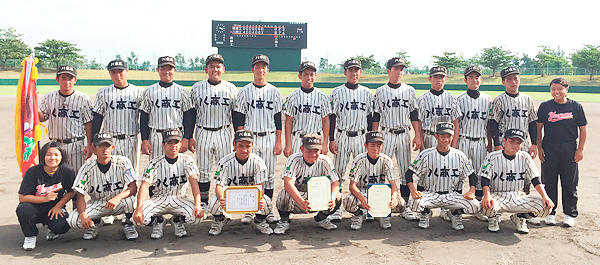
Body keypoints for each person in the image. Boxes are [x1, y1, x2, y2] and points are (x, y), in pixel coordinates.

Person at [92, 59, 143, 225]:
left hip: (130, 139)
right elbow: (97, 117)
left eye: (121, 71)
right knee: (109, 175)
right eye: (114, 72)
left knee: (130, 176)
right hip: (109, 140)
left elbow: (145, 117)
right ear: (110, 74)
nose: (117, 74)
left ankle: (129, 212)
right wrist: (94, 141)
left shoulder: (138, 92)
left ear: (127, 72)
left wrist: (146, 139)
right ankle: (110, 210)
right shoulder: (103, 93)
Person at [233, 54, 282, 223]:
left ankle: (267, 210)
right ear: (252, 69)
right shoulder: (244, 91)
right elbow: (239, 118)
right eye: (257, 66)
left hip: (269, 137)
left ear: (267, 70)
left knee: (268, 176)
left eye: (263, 67)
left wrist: (278, 141)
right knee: (249, 174)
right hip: (249, 139)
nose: (260, 69)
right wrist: (240, 142)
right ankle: (248, 210)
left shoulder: (274, 92)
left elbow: (277, 119)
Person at [373, 57, 423, 221]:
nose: (399, 72)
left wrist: (417, 134)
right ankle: (380, 206)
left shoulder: (410, 90)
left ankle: (406, 206)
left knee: (404, 170)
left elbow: (413, 114)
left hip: (403, 134)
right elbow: (376, 115)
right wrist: (374, 137)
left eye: (401, 69)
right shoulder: (380, 91)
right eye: (396, 68)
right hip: (386, 134)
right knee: (382, 170)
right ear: (388, 71)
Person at [489, 66, 540, 225]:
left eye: (515, 78)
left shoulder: (527, 99)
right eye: (509, 79)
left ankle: (521, 213)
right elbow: (493, 123)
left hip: (523, 145)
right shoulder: (498, 100)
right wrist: (497, 143)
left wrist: (534, 144)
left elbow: (532, 122)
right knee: (499, 175)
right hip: (505, 144)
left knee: (524, 177)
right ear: (503, 81)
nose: (513, 81)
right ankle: (496, 210)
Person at [406, 122, 480, 230]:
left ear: (453, 136)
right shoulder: (426, 154)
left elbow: (472, 176)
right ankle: (425, 213)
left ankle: (455, 213)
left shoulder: (460, 155)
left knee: (476, 206)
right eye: (442, 136)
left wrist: (472, 191)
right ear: (436, 136)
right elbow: (409, 173)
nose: (446, 139)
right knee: (413, 203)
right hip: (431, 195)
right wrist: (413, 191)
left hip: (452, 195)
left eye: (448, 136)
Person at [133, 129, 205, 239]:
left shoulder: (187, 160)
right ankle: (158, 220)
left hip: (180, 198)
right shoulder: (154, 163)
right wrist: (138, 208)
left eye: (176, 142)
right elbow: (144, 185)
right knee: (138, 219)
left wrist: (198, 205)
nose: (173, 145)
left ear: (180, 144)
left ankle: (177, 220)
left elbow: (194, 182)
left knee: (198, 217)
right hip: (159, 199)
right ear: (163, 145)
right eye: (169, 143)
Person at [189, 54, 238, 212]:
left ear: (223, 69)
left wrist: (237, 137)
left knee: (225, 169)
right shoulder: (197, 88)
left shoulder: (231, 88)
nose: (215, 69)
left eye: (218, 66)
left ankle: (224, 203)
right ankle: (203, 202)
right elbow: (191, 114)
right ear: (206, 69)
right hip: (203, 131)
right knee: (203, 170)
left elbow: (236, 114)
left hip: (224, 131)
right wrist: (189, 136)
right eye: (212, 66)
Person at [481, 129, 554, 234]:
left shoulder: (525, 157)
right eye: (511, 142)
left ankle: (519, 217)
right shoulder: (492, 157)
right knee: (485, 205)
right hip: (497, 195)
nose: (515, 145)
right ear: (504, 141)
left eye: (518, 143)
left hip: (517, 196)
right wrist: (487, 195)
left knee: (546, 208)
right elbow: (485, 179)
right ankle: (492, 218)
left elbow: (535, 179)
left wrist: (545, 196)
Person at [536, 77, 587, 227]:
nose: (556, 92)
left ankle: (569, 214)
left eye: (559, 89)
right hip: (550, 147)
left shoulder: (575, 106)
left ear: (566, 89)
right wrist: (539, 147)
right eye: (553, 89)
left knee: (570, 183)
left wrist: (580, 149)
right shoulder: (545, 106)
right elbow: (538, 128)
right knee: (549, 181)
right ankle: (550, 212)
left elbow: (583, 129)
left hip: (569, 148)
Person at [68, 133, 138, 240]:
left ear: (112, 148)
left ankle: (129, 224)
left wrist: (117, 198)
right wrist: (83, 215)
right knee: (73, 220)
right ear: (94, 149)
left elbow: (133, 188)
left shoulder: (123, 162)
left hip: (118, 202)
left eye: (107, 145)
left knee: (131, 201)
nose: (104, 148)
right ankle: (95, 222)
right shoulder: (87, 168)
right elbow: (80, 195)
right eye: (101, 146)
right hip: (97, 203)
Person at [328, 59, 374, 222]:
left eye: (357, 70)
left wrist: (371, 139)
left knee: (363, 174)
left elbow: (370, 117)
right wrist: (331, 139)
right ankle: (336, 208)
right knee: (338, 174)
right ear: (345, 72)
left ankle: (364, 207)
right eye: (350, 70)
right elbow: (332, 117)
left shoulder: (367, 93)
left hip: (361, 136)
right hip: (342, 135)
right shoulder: (336, 92)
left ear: (360, 73)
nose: (354, 73)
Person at [207, 130, 274, 236]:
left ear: (252, 145)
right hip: (231, 198)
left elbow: (260, 187)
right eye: (240, 146)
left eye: (248, 146)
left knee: (267, 203)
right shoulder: (225, 162)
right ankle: (220, 220)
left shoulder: (258, 162)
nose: (244, 149)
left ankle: (259, 221)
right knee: (213, 204)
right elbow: (219, 186)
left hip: (250, 198)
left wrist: (259, 198)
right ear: (234, 144)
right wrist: (221, 199)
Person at [416, 66, 461, 222]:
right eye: (435, 77)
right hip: (428, 137)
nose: (439, 80)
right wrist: (420, 141)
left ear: (446, 79)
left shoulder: (452, 99)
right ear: (430, 79)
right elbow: (419, 122)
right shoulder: (422, 99)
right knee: (425, 173)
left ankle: (445, 208)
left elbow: (456, 123)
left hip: (446, 141)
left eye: (441, 77)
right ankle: (423, 208)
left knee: (446, 172)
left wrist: (454, 144)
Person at [274, 134, 341, 234]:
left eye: (316, 151)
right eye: (309, 150)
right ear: (302, 149)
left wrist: (332, 198)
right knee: (283, 195)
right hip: (298, 197)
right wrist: (301, 202)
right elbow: (288, 183)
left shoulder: (325, 161)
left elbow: (335, 183)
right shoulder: (294, 159)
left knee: (338, 196)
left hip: (317, 197)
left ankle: (320, 219)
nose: (313, 154)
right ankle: (284, 220)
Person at [16, 142, 75, 250]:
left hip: (54, 207)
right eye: (48, 154)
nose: (52, 158)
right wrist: (43, 199)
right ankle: (30, 235)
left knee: (63, 225)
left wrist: (58, 206)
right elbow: (22, 197)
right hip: (34, 206)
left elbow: (71, 191)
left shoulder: (67, 171)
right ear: (43, 156)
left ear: (62, 156)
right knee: (23, 209)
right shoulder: (33, 172)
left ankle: (50, 228)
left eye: (56, 155)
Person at [344, 131, 405, 230]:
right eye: (372, 145)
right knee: (348, 201)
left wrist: (393, 197)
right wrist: (362, 199)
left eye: (379, 145)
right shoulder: (358, 160)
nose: (375, 148)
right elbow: (352, 186)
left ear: (382, 146)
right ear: (366, 146)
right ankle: (359, 214)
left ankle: (382, 215)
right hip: (362, 192)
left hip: (380, 193)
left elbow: (393, 184)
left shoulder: (387, 160)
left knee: (400, 203)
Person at [38, 65, 93, 173]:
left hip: (76, 145)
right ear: (57, 79)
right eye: (63, 78)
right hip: (55, 145)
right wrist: (33, 104)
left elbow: (89, 122)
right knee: (55, 178)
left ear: (75, 80)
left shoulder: (83, 99)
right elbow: (42, 117)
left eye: (70, 78)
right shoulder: (49, 97)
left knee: (76, 176)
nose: (67, 81)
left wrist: (89, 144)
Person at [139, 56, 194, 160]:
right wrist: (144, 139)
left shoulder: (182, 91)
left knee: (176, 169)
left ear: (174, 70)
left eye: (169, 68)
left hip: (176, 136)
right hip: (156, 136)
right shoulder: (149, 91)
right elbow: (144, 116)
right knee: (155, 168)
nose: (166, 72)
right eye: (163, 68)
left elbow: (188, 117)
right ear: (157, 70)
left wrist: (187, 137)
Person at [456, 66, 493, 222]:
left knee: (479, 175)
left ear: (481, 80)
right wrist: (454, 144)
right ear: (465, 80)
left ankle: (478, 207)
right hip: (463, 139)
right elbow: (456, 123)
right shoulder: (459, 99)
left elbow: (490, 124)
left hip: (480, 141)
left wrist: (489, 143)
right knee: (457, 175)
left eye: (477, 77)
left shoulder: (488, 99)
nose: (474, 80)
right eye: (471, 77)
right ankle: (454, 209)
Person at [283, 61, 331, 157]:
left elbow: (326, 120)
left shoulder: (323, 97)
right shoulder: (292, 97)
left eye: (311, 74)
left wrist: (325, 143)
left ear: (315, 76)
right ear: (300, 76)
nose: (309, 77)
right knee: (296, 169)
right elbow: (288, 121)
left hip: (316, 139)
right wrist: (288, 145)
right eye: (305, 75)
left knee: (316, 169)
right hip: (298, 139)